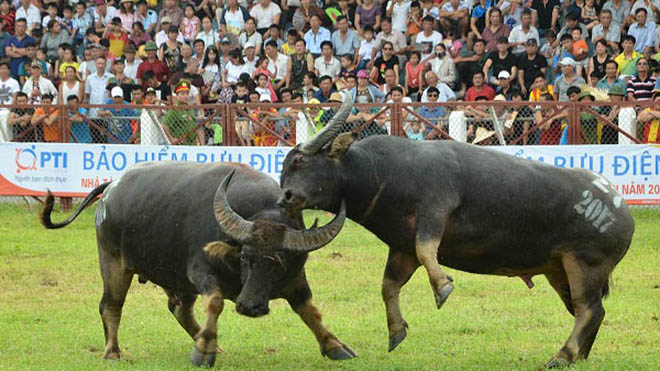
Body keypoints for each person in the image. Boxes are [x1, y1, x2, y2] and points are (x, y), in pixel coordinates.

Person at [162, 80, 203, 145]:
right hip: (181, 144)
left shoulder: (190, 109)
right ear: (177, 96)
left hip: (193, 144)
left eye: (187, 94)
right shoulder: (174, 110)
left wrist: (198, 141)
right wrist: (172, 139)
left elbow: (193, 126)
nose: (185, 96)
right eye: (182, 94)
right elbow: (164, 125)